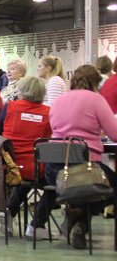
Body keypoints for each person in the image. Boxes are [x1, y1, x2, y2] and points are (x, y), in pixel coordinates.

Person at [29, 65, 117, 249]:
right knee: (107, 185)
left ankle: (74, 219)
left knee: (64, 187)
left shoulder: (59, 101)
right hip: (86, 170)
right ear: (95, 83)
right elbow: (114, 134)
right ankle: (78, 219)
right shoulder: (96, 100)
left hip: (54, 170)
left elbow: (55, 128)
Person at [0, 76, 51, 236]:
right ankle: (37, 225)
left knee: (23, 180)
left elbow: (0, 134)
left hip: (10, 166)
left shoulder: (9, 107)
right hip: (36, 167)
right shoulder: (48, 113)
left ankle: (9, 210)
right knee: (54, 185)